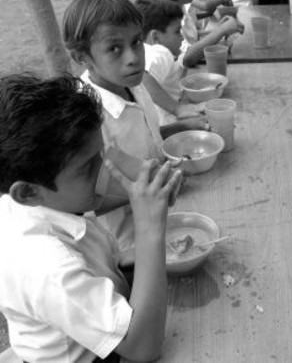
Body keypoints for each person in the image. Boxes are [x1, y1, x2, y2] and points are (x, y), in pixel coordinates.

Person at [0, 73, 181, 362]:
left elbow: (91, 251)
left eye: (101, 153)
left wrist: (143, 200)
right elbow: (143, 348)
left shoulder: (38, 201)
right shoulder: (47, 268)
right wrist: (149, 229)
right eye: (88, 167)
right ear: (27, 193)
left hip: (105, 311)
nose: (105, 167)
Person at [62, 0, 204, 266]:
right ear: (82, 56)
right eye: (114, 48)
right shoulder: (85, 118)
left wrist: (177, 129)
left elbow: (143, 137)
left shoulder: (134, 84)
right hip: (128, 249)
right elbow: (86, 201)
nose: (133, 57)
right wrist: (154, 183)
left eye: (136, 42)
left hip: (165, 216)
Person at [135, 0, 203, 125]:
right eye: (177, 31)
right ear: (155, 37)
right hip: (169, 125)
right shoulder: (160, 52)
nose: (182, 37)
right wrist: (177, 109)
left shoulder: (144, 50)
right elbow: (142, 76)